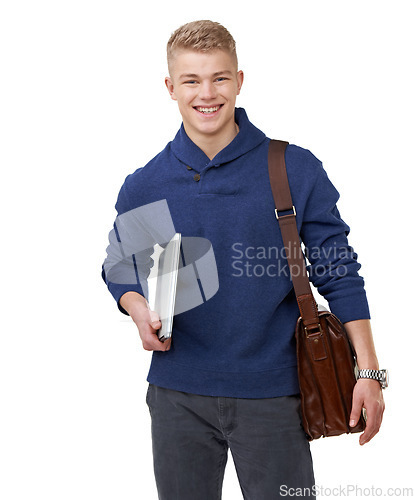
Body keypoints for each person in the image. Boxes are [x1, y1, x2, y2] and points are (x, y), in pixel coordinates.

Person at [101, 20, 386, 500]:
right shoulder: (147, 183)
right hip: (177, 394)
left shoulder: (292, 168)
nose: (206, 93)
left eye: (219, 78)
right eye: (191, 80)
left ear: (239, 80)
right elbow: (120, 263)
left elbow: (338, 271)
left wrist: (369, 372)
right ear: (171, 88)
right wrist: (135, 306)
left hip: (275, 393)